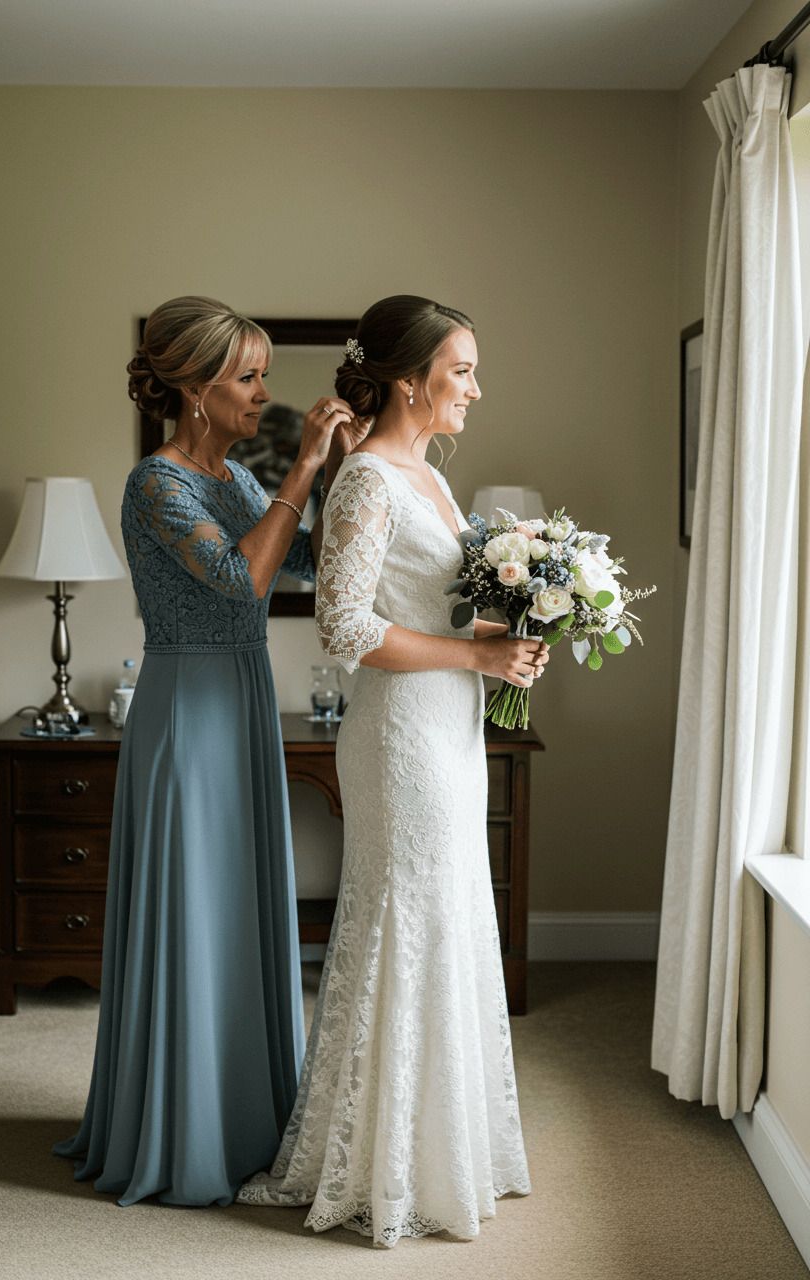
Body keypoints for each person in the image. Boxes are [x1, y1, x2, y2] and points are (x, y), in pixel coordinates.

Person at [237, 295, 547, 1246]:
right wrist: (477, 659)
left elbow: (431, 609)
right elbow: (345, 628)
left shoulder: (431, 477)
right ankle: (380, 1163)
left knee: (452, 914)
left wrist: (504, 635)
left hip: (449, 730)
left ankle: (446, 1151)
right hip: (401, 740)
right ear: (409, 379)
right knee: (403, 921)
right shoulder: (368, 476)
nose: (476, 390)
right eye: (462, 371)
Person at [54, 295, 362, 1207]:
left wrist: (342, 473)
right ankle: (176, 1131)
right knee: (192, 907)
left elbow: (302, 568)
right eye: (247, 376)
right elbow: (240, 580)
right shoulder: (160, 483)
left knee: (236, 906)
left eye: (264, 374)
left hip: (244, 694)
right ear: (192, 389)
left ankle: (247, 1120)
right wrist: (303, 467)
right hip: (187, 706)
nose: (263, 392)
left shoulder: (231, 478)